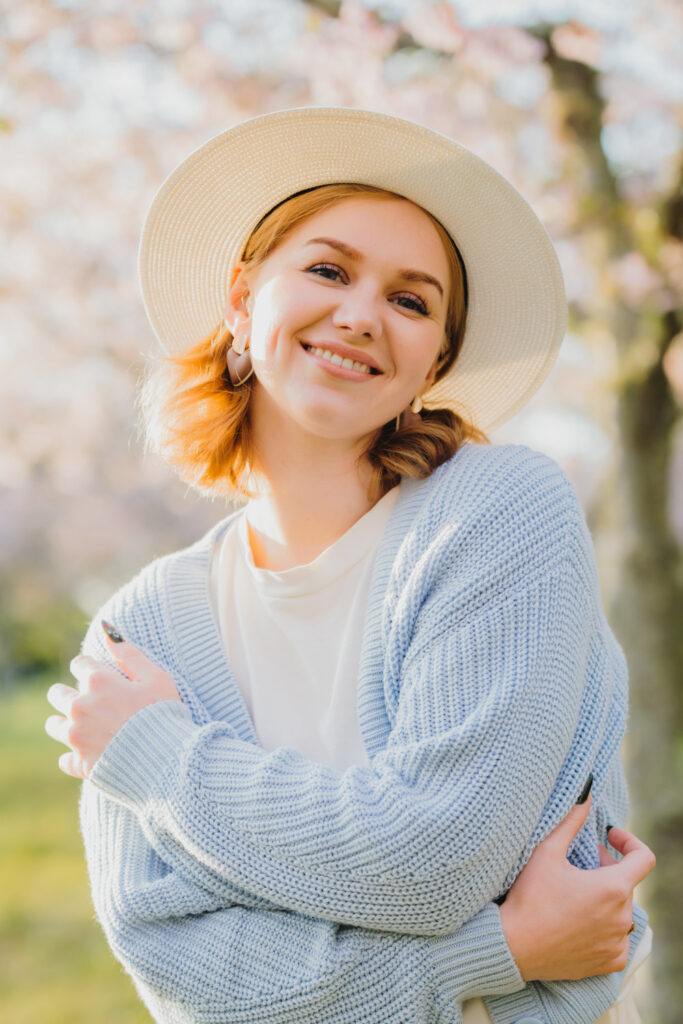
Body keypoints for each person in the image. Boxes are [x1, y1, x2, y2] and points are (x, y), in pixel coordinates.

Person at [44, 107, 655, 1024]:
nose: (363, 314)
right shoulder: (144, 629)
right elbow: (184, 972)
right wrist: (497, 951)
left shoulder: (498, 513)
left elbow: (436, 862)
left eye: (411, 301)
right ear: (243, 304)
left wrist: (161, 761)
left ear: (430, 364)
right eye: (328, 270)